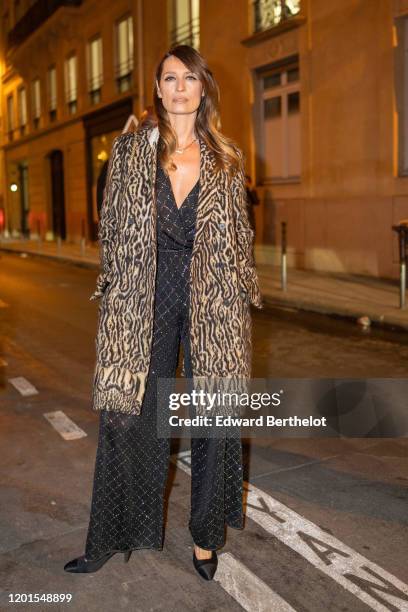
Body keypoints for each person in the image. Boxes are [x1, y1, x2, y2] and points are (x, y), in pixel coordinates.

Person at [64, 44, 262, 581]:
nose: (180, 88)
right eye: (170, 78)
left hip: (210, 306)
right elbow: (112, 228)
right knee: (129, 416)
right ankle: (110, 535)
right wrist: (117, 293)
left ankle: (204, 539)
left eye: (190, 78)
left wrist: (239, 294)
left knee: (212, 422)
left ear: (204, 87)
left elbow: (239, 239)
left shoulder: (227, 158)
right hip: (142, 300)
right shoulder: (129, 153)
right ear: (157, 88)